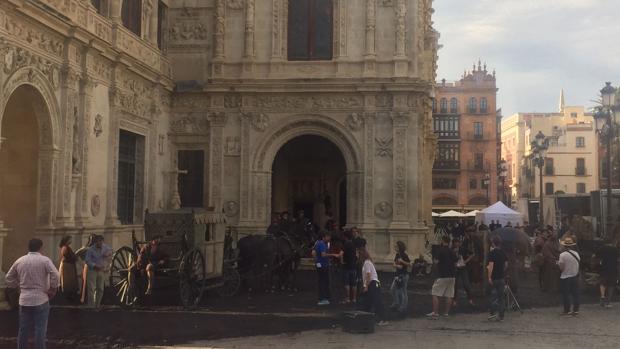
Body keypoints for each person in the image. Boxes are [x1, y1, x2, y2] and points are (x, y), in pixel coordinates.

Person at [5, 238, 59, 349]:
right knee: (40, 329)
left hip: (24, 299)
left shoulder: (20, 260)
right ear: (41, 247)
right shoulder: (45, 260)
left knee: (23, 329)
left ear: (28, 247)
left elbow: (8, 278)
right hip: (41, 298)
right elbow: (56, 275)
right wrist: (53, 289)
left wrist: (17, 286)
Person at [426, 236, 457, 319]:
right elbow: (455, 262)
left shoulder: (440, 250)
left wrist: (435, 270)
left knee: (435, 293)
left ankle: (435, 313)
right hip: (452, 275)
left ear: (443, 241)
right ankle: (446, 313)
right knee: (449, 294)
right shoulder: (452, 251)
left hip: (442, 275)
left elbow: (435, 262)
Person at [360, 248, 388, 326]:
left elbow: (368, 275)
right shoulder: (367, 263)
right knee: (370, 301)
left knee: (376, 302)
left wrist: (366, 286)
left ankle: (383, 319)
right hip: (373, 284)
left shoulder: (367, 263)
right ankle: (369, 318)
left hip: (373, 283)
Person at [84, 235, 110, 308]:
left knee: (100, 288)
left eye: (101, 242)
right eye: (99, 242)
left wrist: (108, 254)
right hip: (92, 270)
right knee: (91, 289)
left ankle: (97, 305)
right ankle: (91, 306)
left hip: (101, 270)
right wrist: (94, 265)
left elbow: (110, 251)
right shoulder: (91, 249)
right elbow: (87, 260)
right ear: (96, 242)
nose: (100, 243)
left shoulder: (105, 248)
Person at [314, 231, 338, 305]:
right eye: (328, 236)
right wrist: (334, 255)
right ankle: (323, 298)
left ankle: (322, 298)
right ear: (324, 237)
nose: (329, 238)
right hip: (323, 265)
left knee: (322, 281)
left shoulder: (318, 243)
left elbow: (314, 253)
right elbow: (323, 255)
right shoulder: (322, 244)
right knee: (324, 282)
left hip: (320, 264)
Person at [558, 236, 580, 316]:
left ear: (564, 246)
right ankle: (576, 310)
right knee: (575, 294)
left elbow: (561, 268)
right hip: (575, 276)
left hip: (565, 277)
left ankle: (567, 310)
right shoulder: (576, 254)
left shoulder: (562, 255)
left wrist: (558, 265)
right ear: (572, 245)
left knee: (566, 294)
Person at [487, 236, 507, 322]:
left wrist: (489, 277)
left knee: (493, 297)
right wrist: (502, 270)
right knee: (501, 298)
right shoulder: (503, 252)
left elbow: (490, 266)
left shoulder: (492, 253)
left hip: (494, 277)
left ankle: (492, 314)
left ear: (493, 243)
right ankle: (501, 316)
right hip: (502, 277)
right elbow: (506, 264)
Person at [594, 241, 619, 308]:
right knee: (611, 285)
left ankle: (602, 296)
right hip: (613, 269)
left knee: (602, 283)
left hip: (604, 268)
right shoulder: (616, 249)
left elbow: (596, 255)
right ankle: (608, 302)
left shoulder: (602, 248)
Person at [390, 241, 411, 314]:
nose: (395, 247)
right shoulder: (397, 254)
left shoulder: (404, 255)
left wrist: (402, 261)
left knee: (402, 291)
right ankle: (396, 302)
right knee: (393, 289)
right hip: (397, 275)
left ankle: (403, 307)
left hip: (403, 275)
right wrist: (395, 264)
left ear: (400, 247)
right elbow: (396, 263)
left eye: (396, 246)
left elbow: (409, 264)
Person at [452, 239, 474, 306]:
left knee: (466, 284)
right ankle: (454, 300)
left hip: (463, 268)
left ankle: (470, 299)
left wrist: (466, 261)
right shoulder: (451, 250)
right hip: (455, 268)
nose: (457, 244)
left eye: (458, 243)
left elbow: (472, 254)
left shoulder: (463, 249)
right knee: (455, 285)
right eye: (455, 243)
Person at [339, 230, 358, 304]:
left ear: (345, 237)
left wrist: (342, 262)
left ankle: (347, 298)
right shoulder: (353, 244)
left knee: (346, 283)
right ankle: (354, 298)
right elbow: (357, 255)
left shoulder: (345, 244)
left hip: (346, 266)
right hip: (353, 265)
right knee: (353, 283)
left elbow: (341, 254)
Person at [58, 235, 78, 301]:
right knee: (67, 281)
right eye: (70, 239)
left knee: (70, 281)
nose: (71, 241)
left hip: (69, 265)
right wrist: (74, 257)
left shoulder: (67, 247)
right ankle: (67, 296)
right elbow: (67, 255)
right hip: (67, 266)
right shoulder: (65, 247)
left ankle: (70, 295)